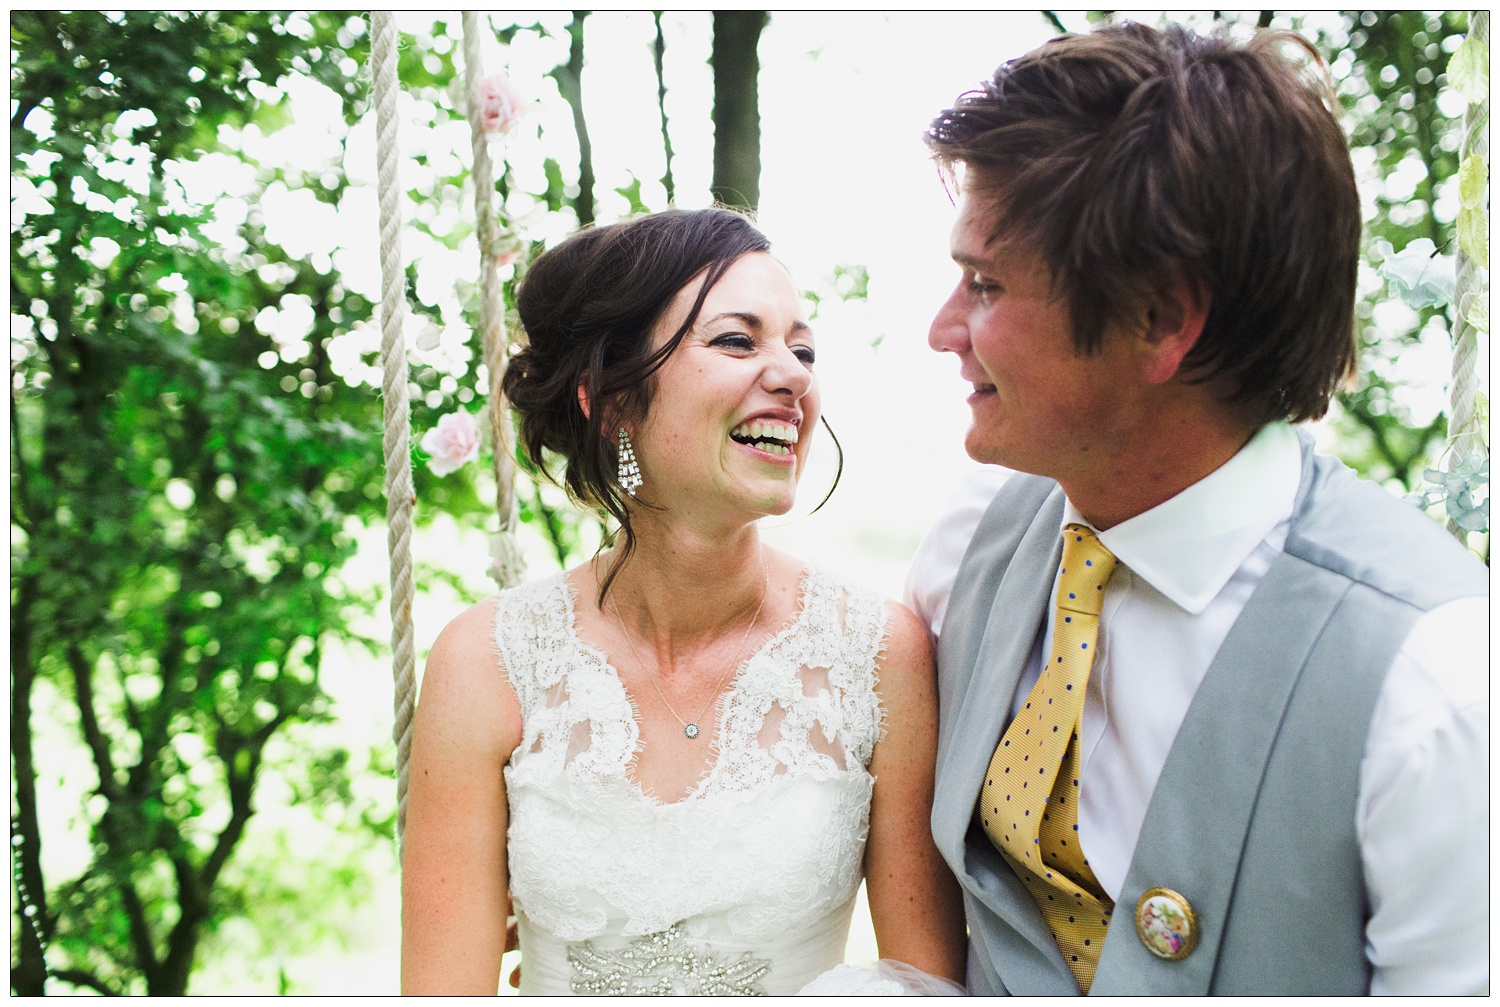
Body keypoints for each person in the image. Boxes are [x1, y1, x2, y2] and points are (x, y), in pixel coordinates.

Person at [907, 21, 1488, 997]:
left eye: (986, 283)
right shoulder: (974, 540)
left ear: (1162, 317)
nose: (942, 330)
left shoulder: (1436, 681)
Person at [400, 208, 967, 995]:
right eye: (738, 340)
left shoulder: (878, 655)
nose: (796, 376)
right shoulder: (485, 662)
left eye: (802, 350)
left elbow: (926, 984)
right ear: (612, 398)